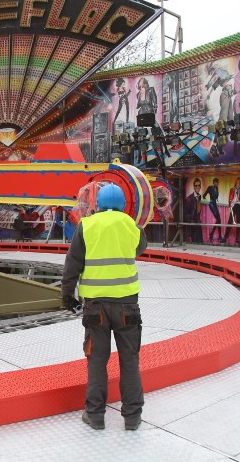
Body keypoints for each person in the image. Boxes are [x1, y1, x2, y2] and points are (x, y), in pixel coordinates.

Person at [61, 183, 148, 432]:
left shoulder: (86, 225)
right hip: (127, 306)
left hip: (95, 307)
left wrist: (67, 295)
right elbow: (140, 248)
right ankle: (132, 417)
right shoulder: (132, 225)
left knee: (97, 361)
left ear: (97, 204)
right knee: (129, 360)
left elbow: (73, 263)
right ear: (122, 204)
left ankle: (95, 415)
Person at [201, 177, 223, 243]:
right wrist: (205, 198)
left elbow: (216, 197)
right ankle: (218, 236)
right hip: (211, 204)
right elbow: (204, 195)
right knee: (219, 220)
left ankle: (213, 234)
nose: (216, 183)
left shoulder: (217, 188)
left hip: (214, 204)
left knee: (219, 220)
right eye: (215, 182)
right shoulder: (210, 187)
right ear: (213, 182)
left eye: (217, 182)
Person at [184, 178, 204, 243]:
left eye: (199, 185)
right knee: (194, 242)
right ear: (194, 186)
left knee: (200, 241)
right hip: (192, 224)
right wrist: (191, 221)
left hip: (198, 223)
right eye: (196, 185)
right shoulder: (189, 198)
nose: (198, 187)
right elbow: (186, 213)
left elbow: (198, 210)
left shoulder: (199, 197)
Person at [227, 177, 240, 244]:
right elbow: (229, 198)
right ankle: (225, 237)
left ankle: (237, 239)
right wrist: (229, 206)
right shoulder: (232, 189)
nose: (238, 183)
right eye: (237, 182)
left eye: (239, 182)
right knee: (230, 221)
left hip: (239, 206)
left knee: (238, 222)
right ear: (235, 182)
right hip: (233, 205)